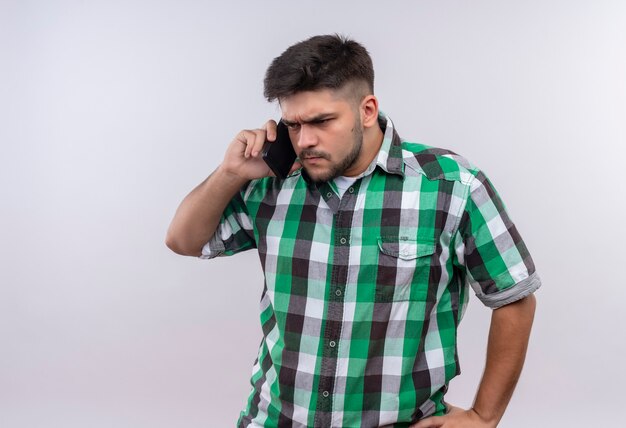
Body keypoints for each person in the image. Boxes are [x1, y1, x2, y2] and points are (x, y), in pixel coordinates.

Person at [166, 34, 540, 428]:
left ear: (367, 109)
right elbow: (183, 240)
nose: (305, 140)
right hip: (274, 419)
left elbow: (514, 295)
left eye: (322, 121)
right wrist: (230, 173)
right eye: (293, 125)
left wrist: (484, 416)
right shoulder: (272, 184)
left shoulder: (451, 185)